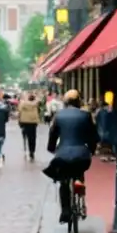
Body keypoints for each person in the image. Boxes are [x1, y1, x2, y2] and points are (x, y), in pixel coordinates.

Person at [44, 89, 98, 223]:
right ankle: (79, 185)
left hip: (63, 155)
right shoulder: (86, 115)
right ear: (79, 102)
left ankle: (65, 211)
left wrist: (51, 149)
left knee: (63, 181)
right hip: (81, 155)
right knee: (79, 170)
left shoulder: (58, 116)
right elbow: (93, 137)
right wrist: (91, 150)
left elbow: (53, 135)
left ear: (66, 102)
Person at [18, 92, 41, 161]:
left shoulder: (23, 103)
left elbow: (19, 110)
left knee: (26, 135)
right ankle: (32, 151)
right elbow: (39, 100)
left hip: (25, 121)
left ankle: (26, 147)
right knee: (33, 137)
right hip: (33, 122)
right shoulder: (36, 103)